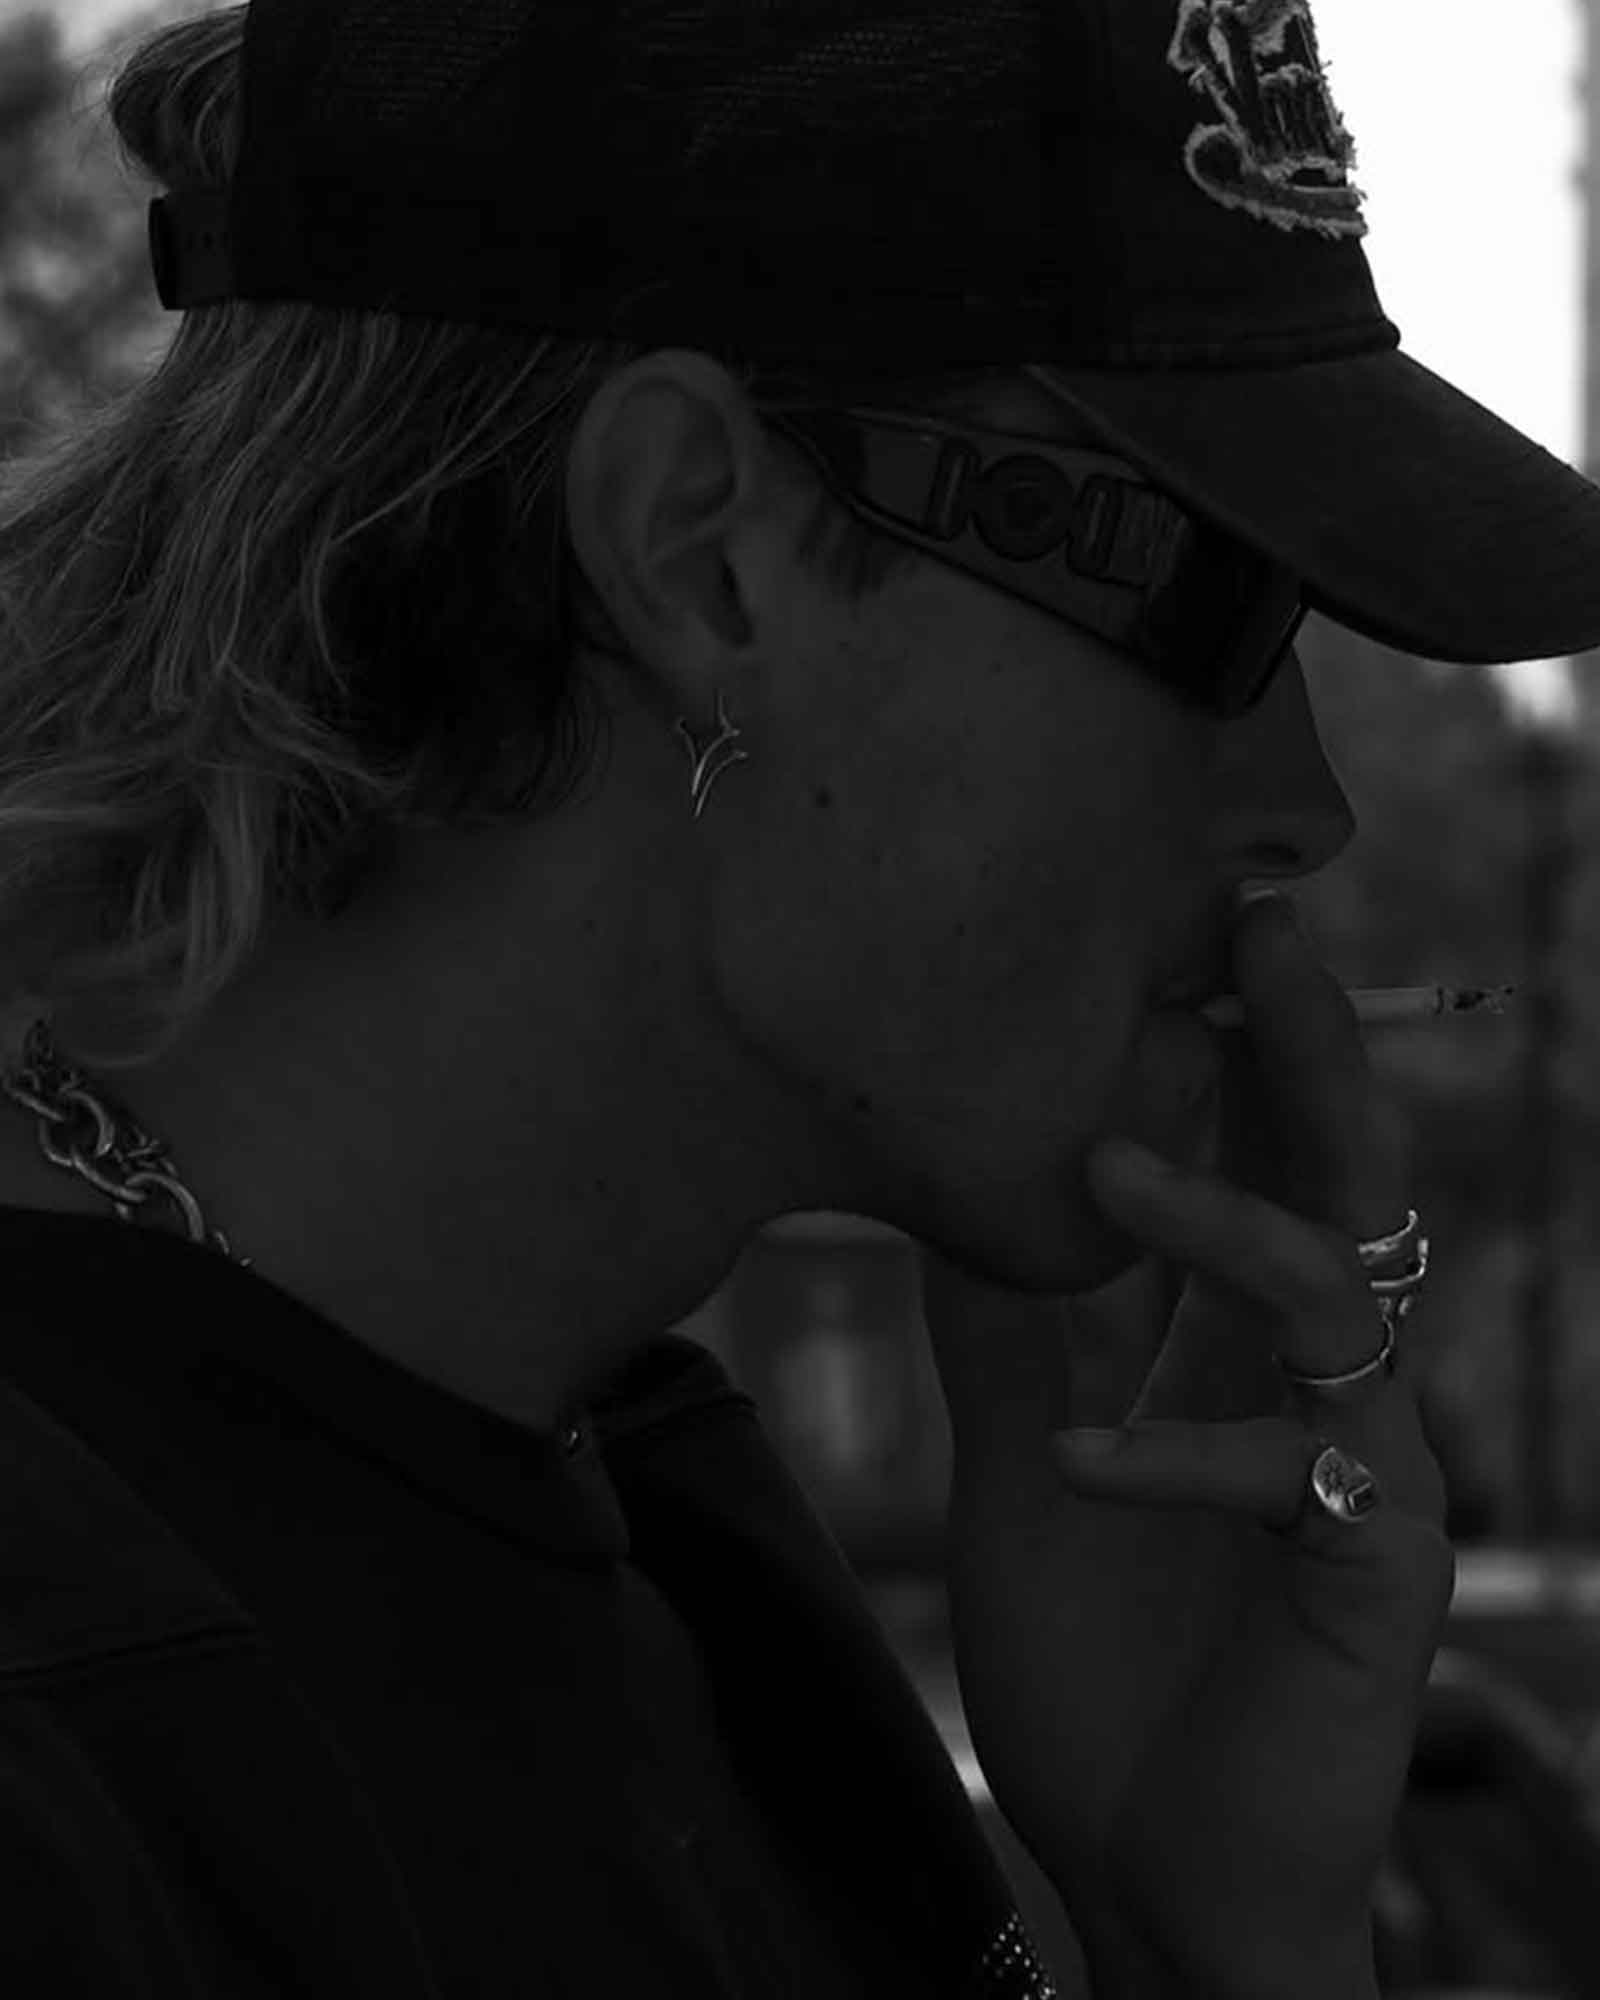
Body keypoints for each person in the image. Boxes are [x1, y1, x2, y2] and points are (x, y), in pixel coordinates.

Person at [0, 0, 1595, 1992]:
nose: (1304, 809)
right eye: (1215, 608)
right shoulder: (69, 1724)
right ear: (697, 552)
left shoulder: (647, 1510)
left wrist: (1214, 1932)